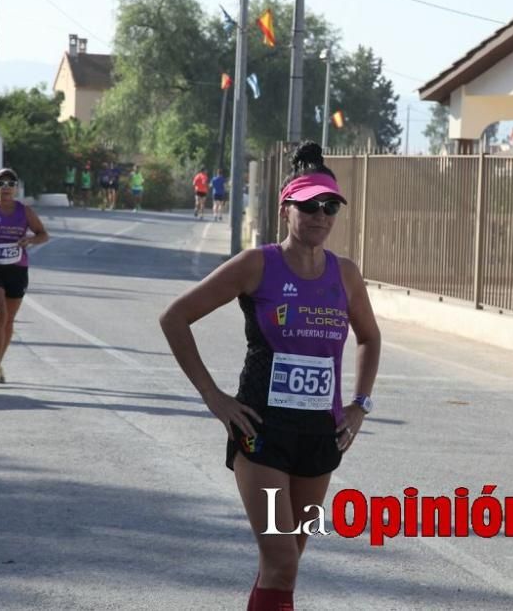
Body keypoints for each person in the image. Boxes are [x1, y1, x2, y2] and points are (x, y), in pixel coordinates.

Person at [160, 141, 381, 611]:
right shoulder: (257, 265)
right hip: (261, 430)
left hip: (320, 433)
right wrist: (213, 397)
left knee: (283, 565)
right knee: (281, 561)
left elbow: (370, 338)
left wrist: (360, 405)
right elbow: (175, 318)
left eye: (329, 207)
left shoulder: (345, 274)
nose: (320, 215)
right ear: (286, 209)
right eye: (309, 205)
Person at [0, 168, 49, 384]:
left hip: (17, 268)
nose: (5, 188)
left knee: (8, 320)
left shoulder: (25, 212)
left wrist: (29, 240)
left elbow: (43, 234)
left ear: (16, 188)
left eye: (10, 184)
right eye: (1, 183)